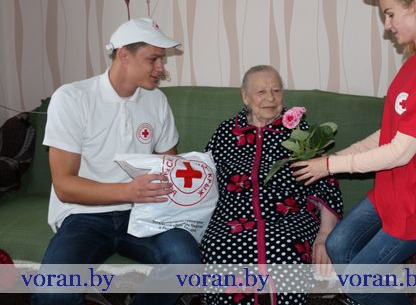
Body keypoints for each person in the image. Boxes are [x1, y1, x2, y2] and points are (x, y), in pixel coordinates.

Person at [293, 0, 416, 305]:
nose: (387, 25)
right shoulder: (415, 63)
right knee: (338, 244)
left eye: (390, 14)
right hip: (397, 186)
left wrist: (329, 166)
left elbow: (401, 150)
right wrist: (336, 158)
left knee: (359, 282)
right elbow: (389, 133)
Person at [34, 18, 202, 305]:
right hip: (83, 215)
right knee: (54, 293)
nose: (161, 68)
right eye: (153, 59)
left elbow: (168, 167)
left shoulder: (157, 101)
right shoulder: (72, 98)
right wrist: (128, 191)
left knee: (186, 260)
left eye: (162, 60)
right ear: (124, 55)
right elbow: (64, 186)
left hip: (142, 214)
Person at [200, 65, 343, 305]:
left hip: (291, 218)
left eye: (276, 90)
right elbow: (204, 175)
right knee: (218, 246)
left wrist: (325, 235)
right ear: (245, 97)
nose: (270, 98)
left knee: (286, 247)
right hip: (232, 218)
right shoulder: (226, 132)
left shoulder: (300, 132)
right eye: (261, 92)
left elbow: (327, 183)